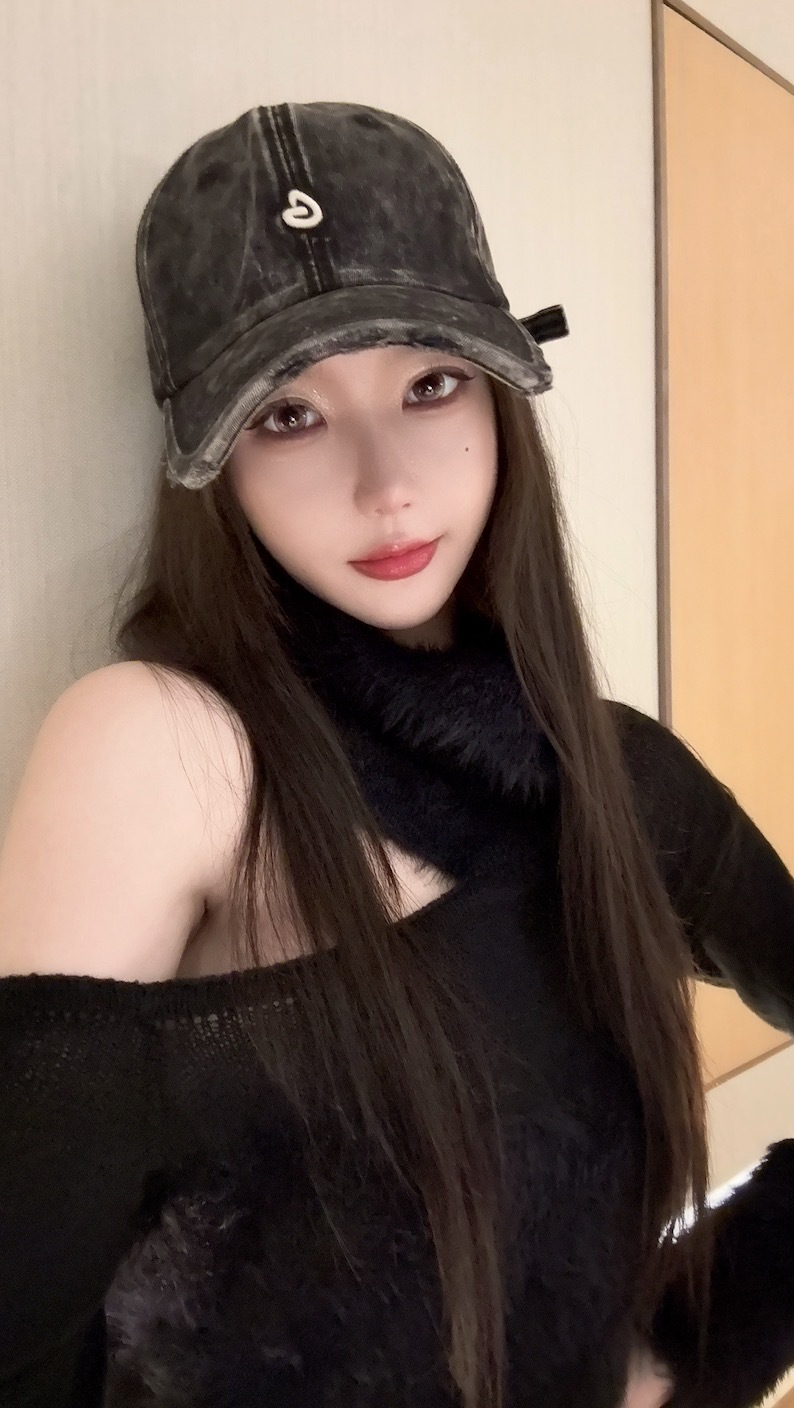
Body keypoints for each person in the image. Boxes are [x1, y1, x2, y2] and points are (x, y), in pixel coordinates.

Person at [1, 101, 793, 1408]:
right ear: (212, 467)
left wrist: (679, 1361)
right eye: (288, 415)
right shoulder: (162, 747)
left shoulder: (614, 775)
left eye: (429, 384)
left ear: (500, 395)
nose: (385, 486)